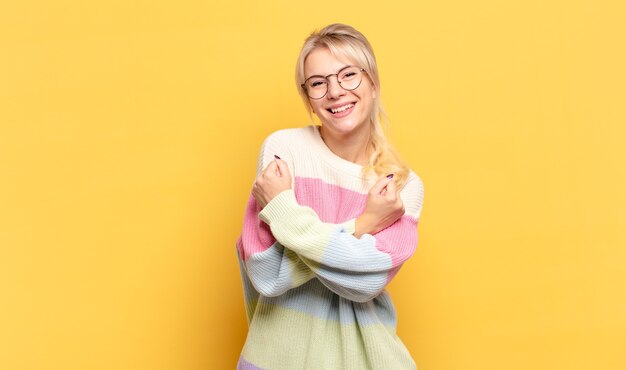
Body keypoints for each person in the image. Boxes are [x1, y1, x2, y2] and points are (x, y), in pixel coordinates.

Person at [235, 23, 425, 370]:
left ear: (373, 83)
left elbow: (364, 283)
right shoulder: (284, 151)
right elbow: (267, 274)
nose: (335, 92)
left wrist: (284, 211)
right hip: (276, 361)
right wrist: (365, 223)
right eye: (318, 83)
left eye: (348, 75)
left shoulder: (401, 186)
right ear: (307, 97)